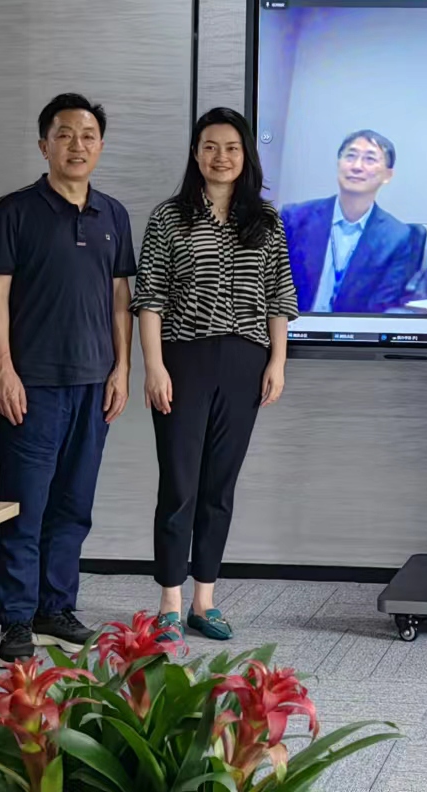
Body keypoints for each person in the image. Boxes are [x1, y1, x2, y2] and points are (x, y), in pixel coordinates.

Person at [0, 93, 136, 667]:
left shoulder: (114, 214)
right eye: (65, 134)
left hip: (94, 386)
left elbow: (121, 300)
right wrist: (4, 369)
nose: (78, 144)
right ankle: (17, 621)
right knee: (25, 507)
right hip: (32, 385)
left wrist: (122, 369)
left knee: (74, 507)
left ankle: (55, 609)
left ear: (100, 145)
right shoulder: (14, 210)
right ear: (43, 143)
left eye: (89, 135)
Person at [134, 108, 298, 642]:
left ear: (246, 154)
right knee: (178, 482)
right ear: (195, 153)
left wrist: (277, 360)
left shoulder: (266, 221)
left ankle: (205, 599)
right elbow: (150, 297)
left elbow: (280, 295)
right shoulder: (169, 217)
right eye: (209, 146)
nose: (220, 157)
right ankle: (169, 602)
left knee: (219, 486)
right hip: (183, 359)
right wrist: (153, 365)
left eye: (230, 147)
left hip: (246, 360)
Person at [282, 130, 420, 313]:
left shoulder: (396, 237)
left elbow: (381, 305)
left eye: (370, 159)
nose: (356, 166)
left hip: (353, 336)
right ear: (339, 163)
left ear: (388, 175)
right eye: (350, 156)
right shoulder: (294, 218)